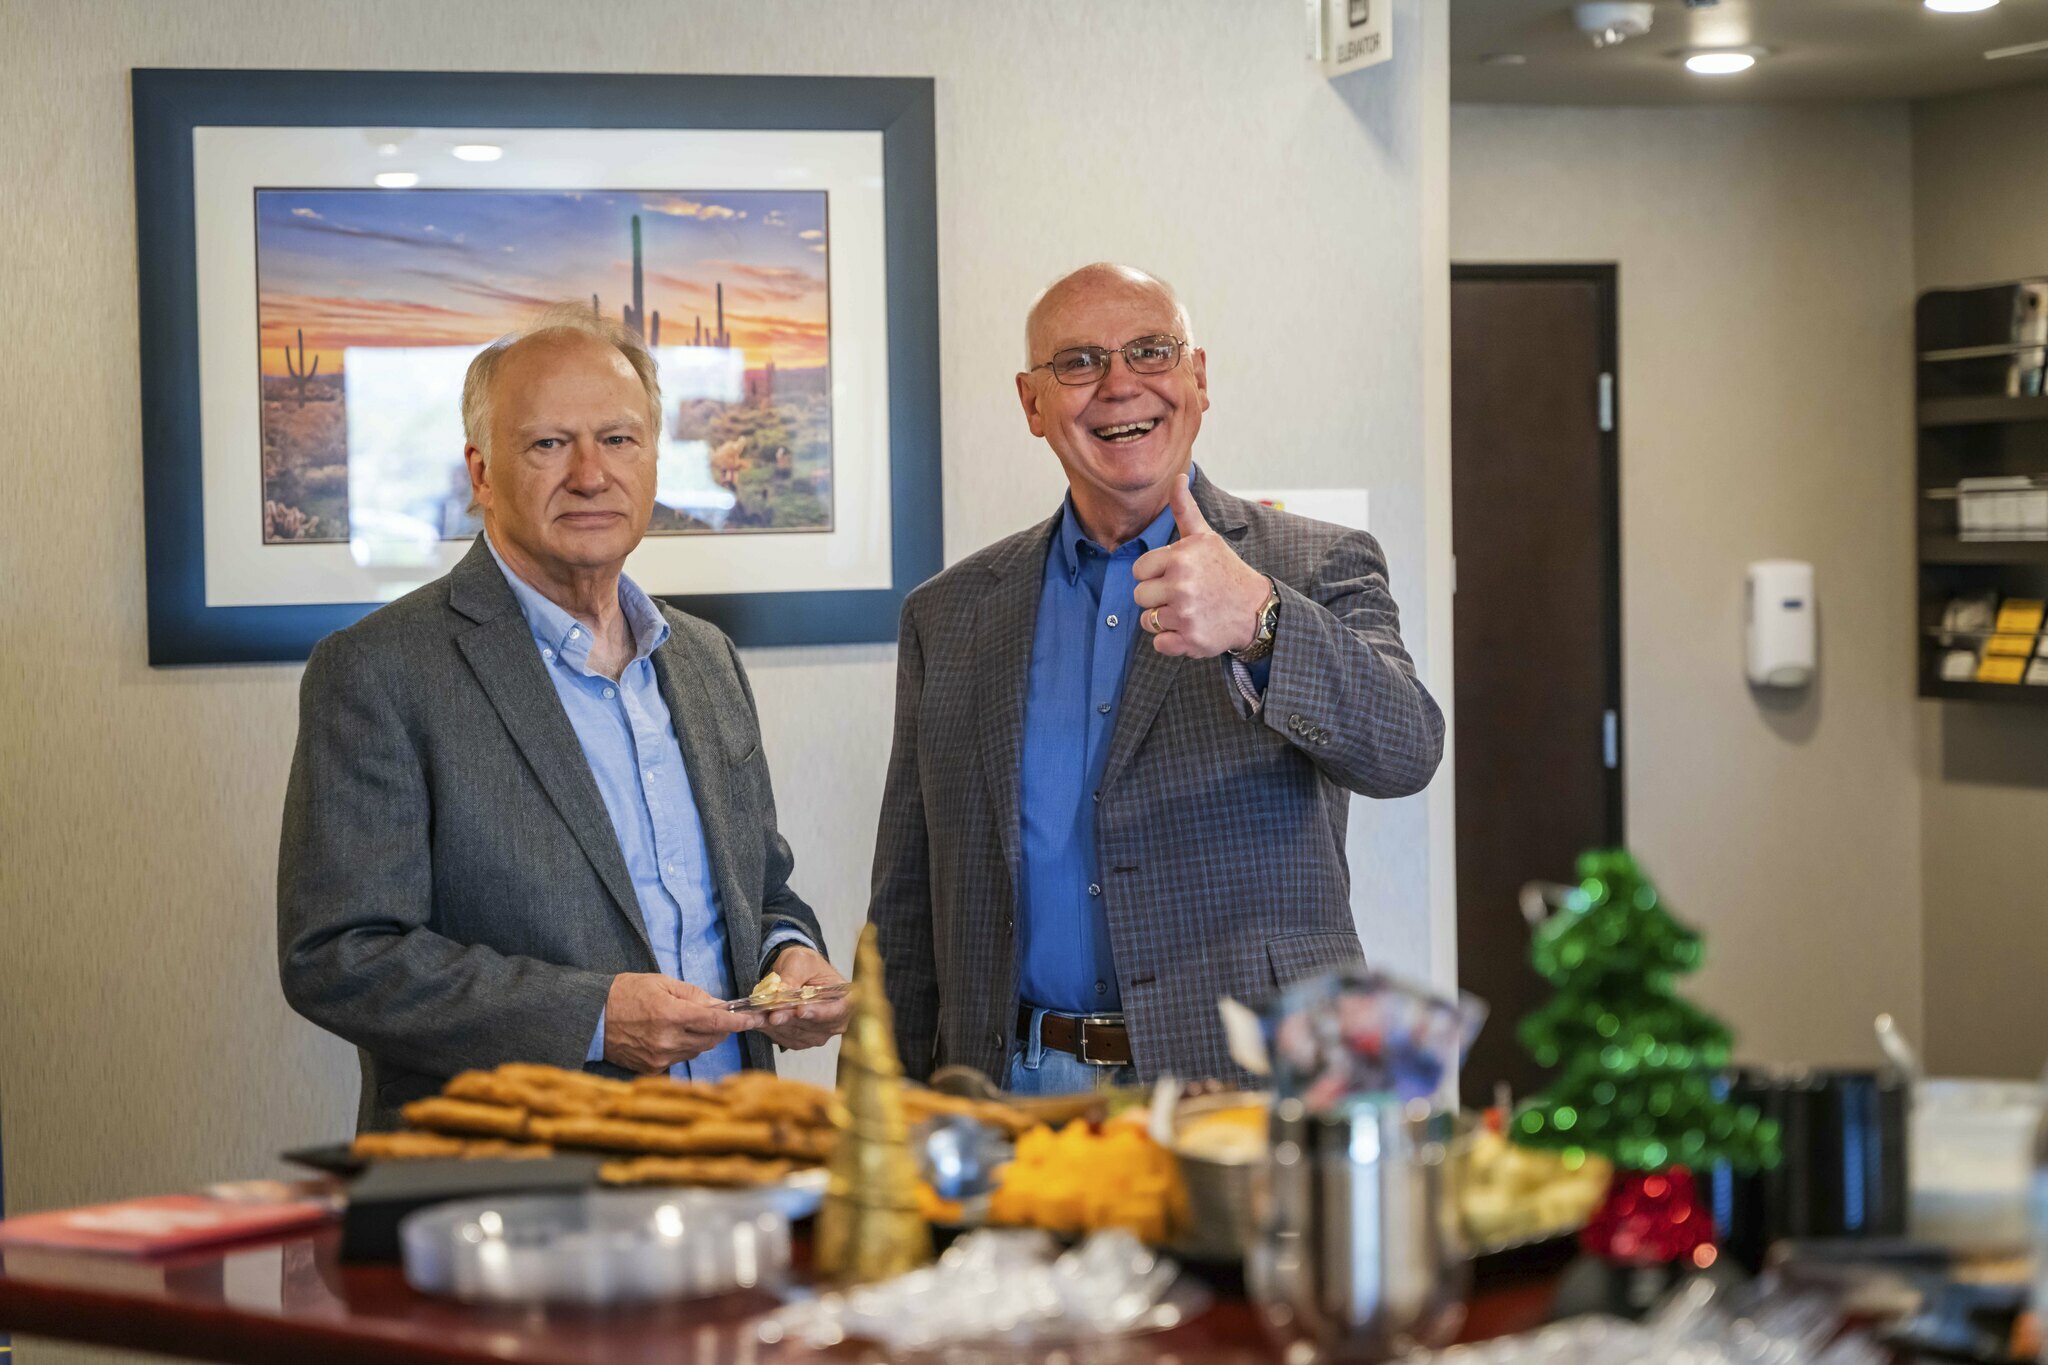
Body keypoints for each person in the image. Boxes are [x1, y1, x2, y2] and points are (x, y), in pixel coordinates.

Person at [868, 263, 1444, 1094]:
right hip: (1013, 1093)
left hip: (1256, 1088)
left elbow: (1407, 749)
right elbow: (909, 902)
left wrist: (1260, 619)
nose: (1118, 386)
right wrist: (881, 1118)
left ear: (1198, 378)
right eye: (1077, 363)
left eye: (1150, 351)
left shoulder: (1313, 564)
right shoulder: (948, 613)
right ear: (1032, 405)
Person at [278, 305, 845, 1131]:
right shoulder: (379, 670)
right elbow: (338, 955)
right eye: (548, 444)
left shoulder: (705, 657)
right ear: (480, 473)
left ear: (654, 459)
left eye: (618, 440)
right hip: (515, 1194)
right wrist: (592, 1016)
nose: (590, 474)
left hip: (733, 1159)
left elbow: (762, 890)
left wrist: (785, 955)